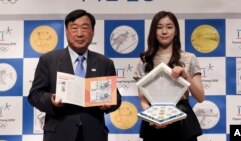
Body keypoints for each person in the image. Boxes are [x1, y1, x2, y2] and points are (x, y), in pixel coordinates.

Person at [28, 9, 121, 141]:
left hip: (94, 134)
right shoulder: (48, 60)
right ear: (66, 31)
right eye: (74, 28)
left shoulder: (104, 63)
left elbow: (116, 97)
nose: (79, 34)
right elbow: (35, 95)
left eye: (85, 28)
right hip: (59, 134)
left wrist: (110, 104)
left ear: (92, 32)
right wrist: (51, 100)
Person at [133, 11, 205, 141]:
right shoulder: (144, 60)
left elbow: (200, 97)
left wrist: (185, 75)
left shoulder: (189, 58)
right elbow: (143, 99)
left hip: (182, 121)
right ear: (153, 31)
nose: (164, 31)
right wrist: (154, 118)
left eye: (169, 27)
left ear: (176, 31)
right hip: (154, 122)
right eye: (159, 27)